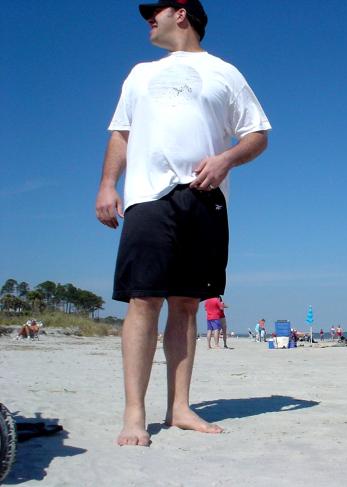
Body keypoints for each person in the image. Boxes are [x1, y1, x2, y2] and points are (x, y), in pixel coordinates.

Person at [95, 0, 270, 447]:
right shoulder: (140, 73)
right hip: (148, 197)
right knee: (143, 300)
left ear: (182, 13)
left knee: (188, 304)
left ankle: (180, 407)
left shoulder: (225, 72)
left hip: (205, 197)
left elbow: (257, 135)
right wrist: (108, 185)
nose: (148, 19)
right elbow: (121, 133)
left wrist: (227, 159)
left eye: (155, 10)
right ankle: (135, 412)